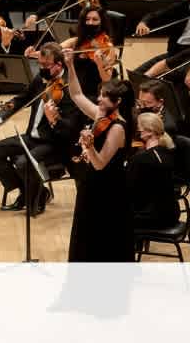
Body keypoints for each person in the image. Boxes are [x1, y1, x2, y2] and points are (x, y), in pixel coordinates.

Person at [0, 43, 84, 215]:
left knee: (23, 162)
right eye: (40, 64)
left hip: (55, 143)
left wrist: (55, 119)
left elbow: (70, 130)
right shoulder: (40, 79)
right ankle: (33, 192)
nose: (41, 68)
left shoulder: (70, 89)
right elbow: (21, 99)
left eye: (46, 65)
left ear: (59, 65)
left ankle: (33, 198)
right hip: (32, 138)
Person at [63, 50, 135, 261]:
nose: (99, 99)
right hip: (93, 182)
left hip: (107, 188)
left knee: (98, 240)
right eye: (100, 94)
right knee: (86, 235)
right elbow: (76, 95)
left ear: (118, 101)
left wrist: (89, 146)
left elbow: (101, 163)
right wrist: (70, 67)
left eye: (104, 96)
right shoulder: (102, 115)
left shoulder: (118, 128)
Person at [28, 4, 116, 95]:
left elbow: (106, 79)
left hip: (91, 91)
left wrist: (100, 64)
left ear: (102, 22)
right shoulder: (76, 41)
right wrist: (33, 53)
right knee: (40, 81)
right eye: (87, 19)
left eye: (95, 19)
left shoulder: (107, 47)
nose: (90, 23)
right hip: (72, 85)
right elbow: (54, 51)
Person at [129, 112, 178, 230]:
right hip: (172, 213)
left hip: (153, 217)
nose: (137, 130)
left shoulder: (141, 158)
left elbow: (130, 190)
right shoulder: (169, 151)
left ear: (150, 131)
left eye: (139, 128)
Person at [133, 0, 190, 75]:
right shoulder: (183, 6)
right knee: (137, 73)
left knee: (157, 81)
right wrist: (143, 22)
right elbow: (156, 15)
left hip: (187, 57)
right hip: (174, 52)